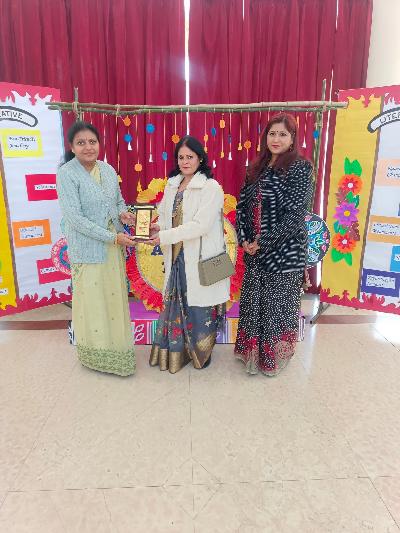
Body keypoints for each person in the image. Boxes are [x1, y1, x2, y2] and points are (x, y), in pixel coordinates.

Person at [234, 113, 313, 376]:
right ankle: (251, 355)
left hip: (284, 252)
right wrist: (245, 239)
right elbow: (242, 206)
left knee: (275, 307)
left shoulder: (300, 167)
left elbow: (295, 215)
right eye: (272, 133)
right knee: (253, 303)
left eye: (282, 134)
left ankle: (273, 359)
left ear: (292, 138)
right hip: (254, 252)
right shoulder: (256, 167)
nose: (276, 139)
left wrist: (263, 242)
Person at [57, 121, 136, 376]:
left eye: (92, 142)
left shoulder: (108, 169)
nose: (88, 147)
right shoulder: (67, 174)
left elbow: (118, 201)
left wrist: (123, 214)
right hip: (88, 250)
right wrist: (112, 237)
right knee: (93, 303)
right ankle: (96, 356)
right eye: (81, 143)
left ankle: (119, 352)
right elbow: (75, 219)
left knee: (113, 299)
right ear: (72, 147)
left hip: (113, 250)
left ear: (99, 144)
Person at [147, 135, 230, 374]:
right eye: (181, 157)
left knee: (199, 308)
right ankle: (177, 353)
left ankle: (201, 353)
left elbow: (200, 226)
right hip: (176, 255)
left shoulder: (211, 187)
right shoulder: (173, 184)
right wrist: (156, 228)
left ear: (200, 158)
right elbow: (166, 217)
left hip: (199, 257)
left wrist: (165, 235)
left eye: (190, 157)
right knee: (176, 303)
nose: (185, 162)